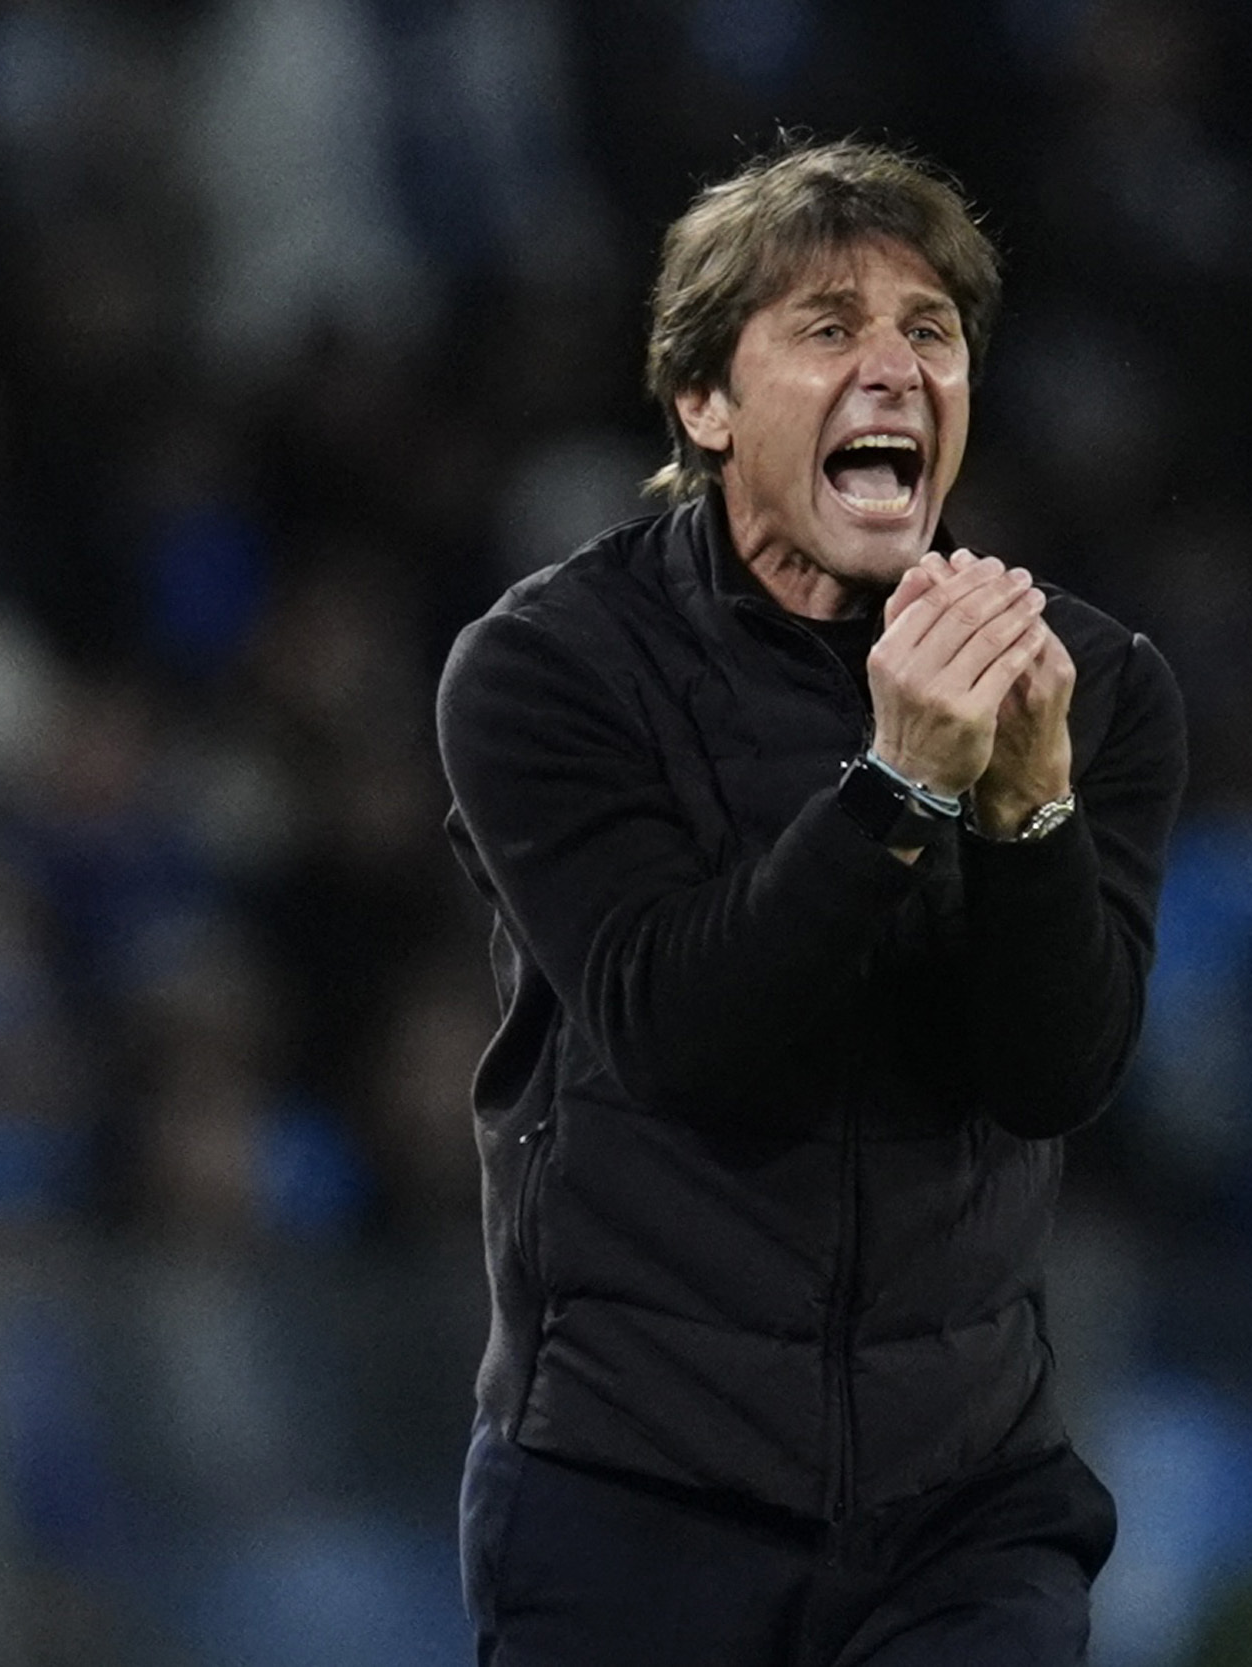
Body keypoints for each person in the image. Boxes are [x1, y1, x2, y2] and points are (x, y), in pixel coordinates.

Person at [435, 139, 1187, 1664]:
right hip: (631, 1504)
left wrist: (1028, 809)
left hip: (968, 1509)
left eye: (931, 329)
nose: (896, 368)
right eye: (829, 327)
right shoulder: (548, 669)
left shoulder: (1087, 682)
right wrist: (898, 790)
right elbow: (678, 1035)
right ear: (704, 403)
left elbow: (1057, 1076)